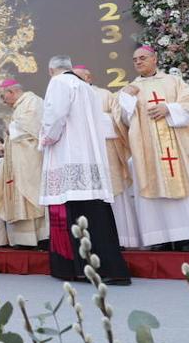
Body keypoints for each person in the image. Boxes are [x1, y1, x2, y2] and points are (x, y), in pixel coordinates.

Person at [39, 58, 130, 284]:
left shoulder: (59, 82)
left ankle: (78, 268)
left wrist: (45, 138)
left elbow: (55, 116)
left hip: (69, 156)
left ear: (52, 70)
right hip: (90, 158)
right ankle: (108, 268)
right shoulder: (87, 89)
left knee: (75, 212)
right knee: (96, 214)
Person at [117, 46, 189, 250]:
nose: (138, 62)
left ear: (154, 59)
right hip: (148, 150)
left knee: (184, 189)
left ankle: (187, 239)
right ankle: (160, 239)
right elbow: (124, 120)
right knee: (152, 190)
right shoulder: (131, 88)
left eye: (143, 58)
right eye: (135, 60)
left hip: (177, 146)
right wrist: (128, 99)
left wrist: (168, 108)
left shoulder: (174, 82)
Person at [72, 65, 139, 248]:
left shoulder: (104, 95)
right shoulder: (71, 99)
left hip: (107, 152)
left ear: (89, 76)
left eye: (79, 77)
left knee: (114, 194)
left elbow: (118, 120)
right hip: (84, 156)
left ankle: (122, 239)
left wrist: (96, 122)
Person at [0, 79, 47, 247]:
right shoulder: (19, 106)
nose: (3, 101)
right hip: (18, 161)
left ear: (12, 92)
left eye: (4, 96)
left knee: (31, 195)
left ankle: (40, 237)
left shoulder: (33, 101)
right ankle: (25, 240)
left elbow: (35, 125)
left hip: (30, 160)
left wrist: (12, 128)